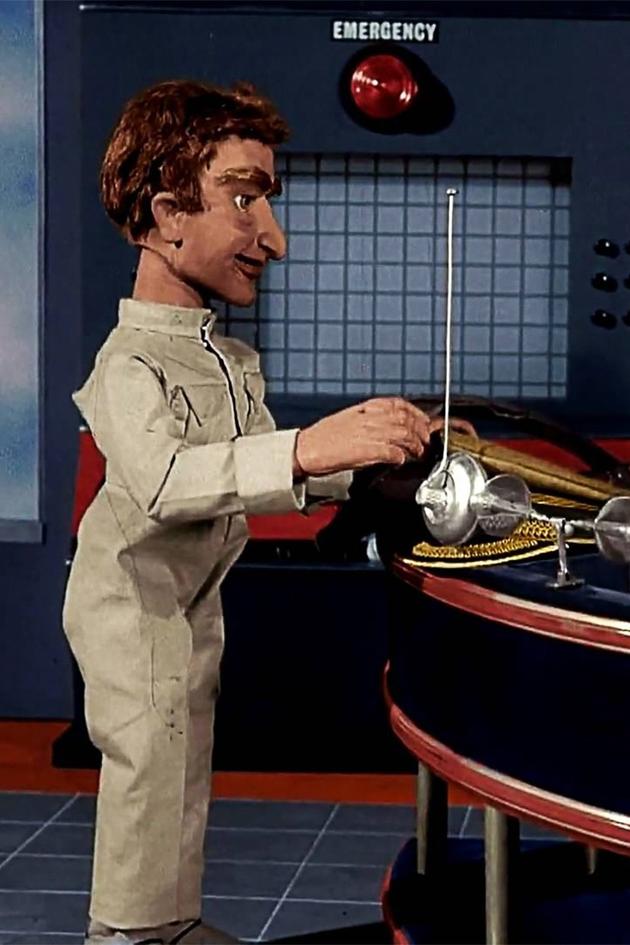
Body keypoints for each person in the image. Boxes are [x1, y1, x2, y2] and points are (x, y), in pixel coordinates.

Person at [63, 79, 439, 945]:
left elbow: (256, 468)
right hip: (134, 613)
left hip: (188, 610)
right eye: (244, 198)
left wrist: (373, 460)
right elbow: (166, 481)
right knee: (149, 773)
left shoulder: (223, 360)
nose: (272, 237)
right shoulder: (129, 365)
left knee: (179, 772)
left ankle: (164, 922)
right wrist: (312, 449)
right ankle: (128, 933)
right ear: (167, 215)